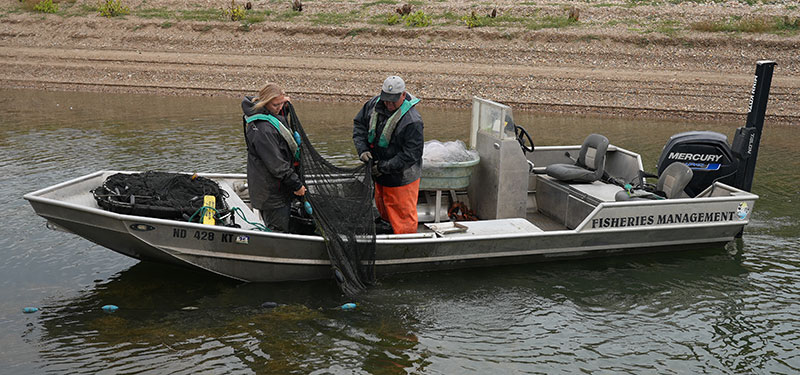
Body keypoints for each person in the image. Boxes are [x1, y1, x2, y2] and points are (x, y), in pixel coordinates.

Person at [353, 75, 424, 234]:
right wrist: (362, 150)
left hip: (402, 179)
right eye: (386, 99)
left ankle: (406, 246)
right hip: (381, 175)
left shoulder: (413, 121)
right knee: (383, 209)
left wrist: (384, 167)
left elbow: (411, 155)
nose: (389, 104)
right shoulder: (372, 105)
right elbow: (359, 126)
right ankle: (387, 232)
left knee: (403, 217)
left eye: (393, 101)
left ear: (403, 95)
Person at [241, 82, 306, 232]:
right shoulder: (262, 130)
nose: (280, 108)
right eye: (276, 105)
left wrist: (285, 106)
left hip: (276, 187)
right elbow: (277, 165)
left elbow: (277, 120)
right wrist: (296, 185)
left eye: (281, 104)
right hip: (270, 193)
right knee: (278, 230)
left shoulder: (265, 114)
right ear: (265, 103)